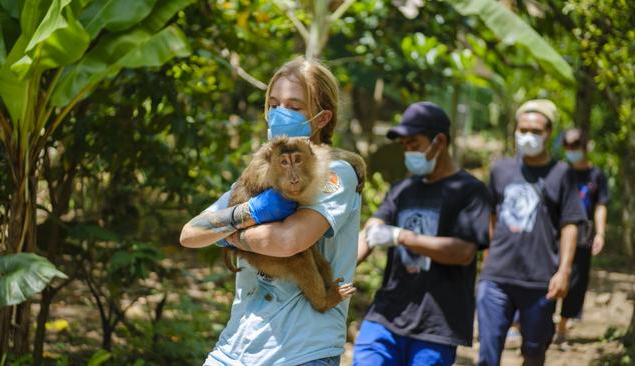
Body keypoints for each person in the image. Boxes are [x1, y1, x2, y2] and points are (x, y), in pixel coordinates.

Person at [179, 58, 361, 366]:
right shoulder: (262, 170)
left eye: (294, 106)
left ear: (321, 118)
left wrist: (229, 234)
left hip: (298, 351)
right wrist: (247, 212)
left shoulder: (336, 173)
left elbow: (288, 242)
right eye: (273, 103)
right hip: (234, 348)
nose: (280, 113)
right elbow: (190, 234)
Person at [352, 102, 492, 366]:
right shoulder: (401, 189)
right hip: (386, 314)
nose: (408, 151)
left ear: (440, 141)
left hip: (437, 323)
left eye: (414, 144)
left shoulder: (471, 191)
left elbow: (463, 252)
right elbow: (370, 232)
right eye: (404, 145)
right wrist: (335, 271)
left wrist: (402, 237)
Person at [477, 99, 587, 366]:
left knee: (534, 352)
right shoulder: (500, 170)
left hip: (539, 281)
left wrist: (563, 271)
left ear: (548, 134)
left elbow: (570, 223)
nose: (528, 136)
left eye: (536, 131)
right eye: (523, 129)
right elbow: (491, 216)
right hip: (496, 279)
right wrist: (487, 263)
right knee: (488, 353)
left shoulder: (562, 174)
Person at [555, 128, 610, 344]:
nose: (570, 150)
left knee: (576, 283)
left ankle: (562, 328)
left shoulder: (596, 175)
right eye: (566, 146)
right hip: (556, 235)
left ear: (584, 147)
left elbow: (600, 206)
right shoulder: (559, 171)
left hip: (583, 235)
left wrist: (600, 233)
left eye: (574, 146)